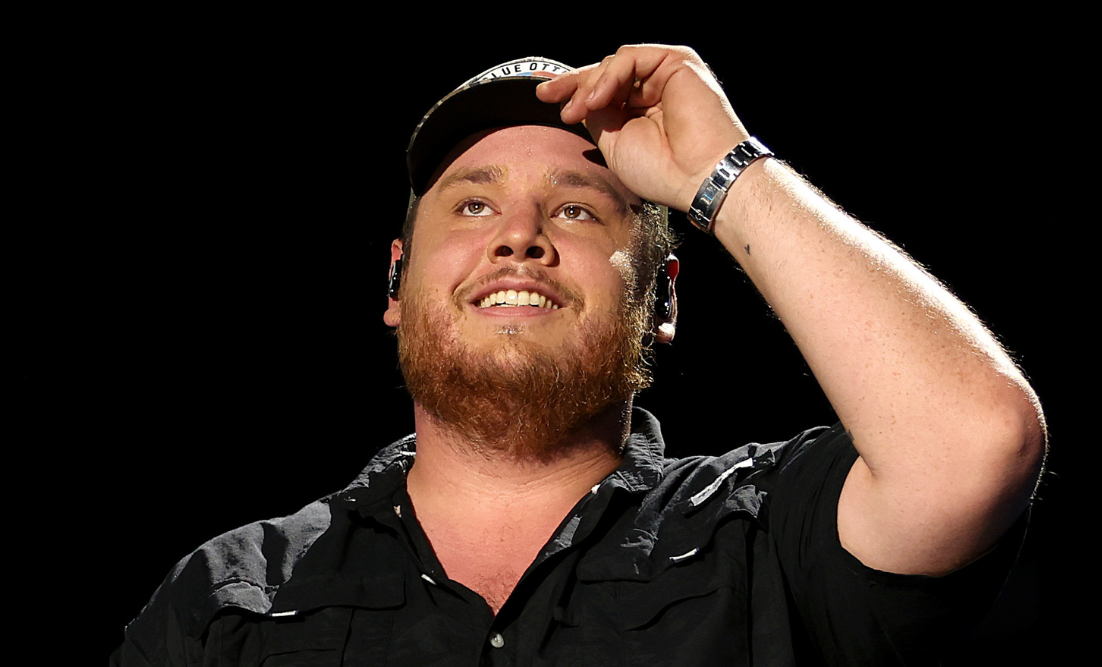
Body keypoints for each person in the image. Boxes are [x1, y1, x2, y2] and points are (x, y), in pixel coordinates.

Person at [111, 45, 1045, 666]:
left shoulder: (765, 536)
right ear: (395, 282)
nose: (518, 236)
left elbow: (977, 444)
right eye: (473, 204)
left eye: (575, 209)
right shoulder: (229, 601)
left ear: (661, 298)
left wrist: (721, 171)